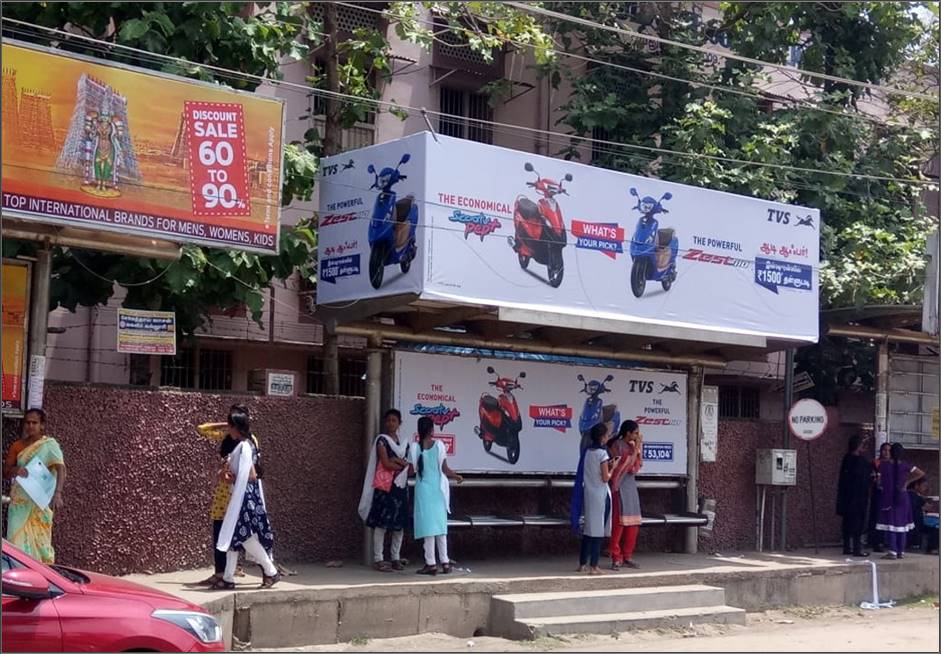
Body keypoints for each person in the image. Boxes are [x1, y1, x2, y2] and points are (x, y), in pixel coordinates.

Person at [194, 403, 262, 586]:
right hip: (223, 492)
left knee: (239, 533)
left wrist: (231, 478)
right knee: (219, 529)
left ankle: (260, 569)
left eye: (236, 418)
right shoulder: (227, 436)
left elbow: (251, 472)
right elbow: (202, 429)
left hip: (237, 492)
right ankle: (221, 572)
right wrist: (227, 424)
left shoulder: (249, 442)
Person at [213, 408, 278, 589]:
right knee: (235, 537)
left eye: (230, 426)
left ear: (236, 427)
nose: (228, 430)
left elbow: (251, 475)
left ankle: (270, 570)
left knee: (245, 537)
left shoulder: (244, 446)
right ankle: (227, 578)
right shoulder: (244, 444)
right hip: (242, 495)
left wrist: (230, 478)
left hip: (244, 496)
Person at [4, 409, 67, 563]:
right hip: (20, 503)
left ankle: (42, 576)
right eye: (27, 422)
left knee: (41, 545)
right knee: (16, 542)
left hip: (40, 502)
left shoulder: (49, 445)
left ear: (42, 425)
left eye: (34, 423)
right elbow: (5, 471)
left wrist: (58, 493)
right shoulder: (17, 446)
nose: (30, 426)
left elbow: (61, 468)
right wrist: (16, 470)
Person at [358, 409, 411, 572]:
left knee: (399, 525)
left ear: (399, 423)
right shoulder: (382, 440)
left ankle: (395, 557)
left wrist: (397, 461)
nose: (390, 423)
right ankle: (379, 559)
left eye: (394, 420)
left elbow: (410, 467)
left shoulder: (405, 443)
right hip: (385, 489)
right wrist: (399, 463)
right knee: (382, 524)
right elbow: (386, 464)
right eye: (388, 420)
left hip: (400, 488)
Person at [411, 417, 463, 576]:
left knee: (428, 529)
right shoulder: (439, 446)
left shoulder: (414, 448)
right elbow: (445, 469)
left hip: (423, 491)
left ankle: (431, 563)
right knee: (440, 527)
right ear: (432, 430)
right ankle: (445, 562)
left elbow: (411, 469)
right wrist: (456, 476)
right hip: (438, 491)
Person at [574, 422, 614, 575]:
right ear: (603, 437)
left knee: (588, 529)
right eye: (607, 435)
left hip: (589, 493)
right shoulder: (602, 454)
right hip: (600, 494)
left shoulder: (588, 452)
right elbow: (605, 478)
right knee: (597, 531)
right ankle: (594, 565)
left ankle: (582, 563)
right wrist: (613, 468)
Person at [874, 442, 925, 560]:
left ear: (891, 452)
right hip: (903, 497)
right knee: (902, 524)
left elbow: (879, 482)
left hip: (889, 497)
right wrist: (907, 483)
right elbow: (921, 473)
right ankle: (901, 551)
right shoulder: (906, 465)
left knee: (891, 524)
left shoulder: (884, 465)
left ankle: (892, 551)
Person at [608, 420, 643, 570]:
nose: (637, 436)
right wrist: (634, 453)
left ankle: (628, 555)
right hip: (619, 486)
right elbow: (621, 467)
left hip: (630, 487)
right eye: (635, 433)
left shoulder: (633, 446)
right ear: (628, 433)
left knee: (633, 523)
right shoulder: (617, 445)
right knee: (619, 523)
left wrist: (637, 451)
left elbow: (635, 468)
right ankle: (616, 556)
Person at [836, 434, 871, 557]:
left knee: (847, 522)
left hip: (846, 497)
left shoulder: (847, 458)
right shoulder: (860, 461)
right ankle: (857, 548)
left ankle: (847, 546)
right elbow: (865, 479)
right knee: (858, 523)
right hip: (858, 498)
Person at [868, 441, 891, 552]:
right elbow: (871, 477)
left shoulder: (893, 464)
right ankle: (875, 542)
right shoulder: (875, 463)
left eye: (888, 450)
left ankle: (884, 541)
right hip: (877, 493)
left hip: (889, 494)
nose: (886, 452)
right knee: (876, 517)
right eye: (884, 450)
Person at [907, 478, 939, 555]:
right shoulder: (914, 495)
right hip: (916, 524)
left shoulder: (912, 495)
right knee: (936, 528)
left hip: (917, 522)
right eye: (924, 486)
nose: (925, 488)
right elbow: (929, 507)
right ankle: (932, 549)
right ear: (916, 486)